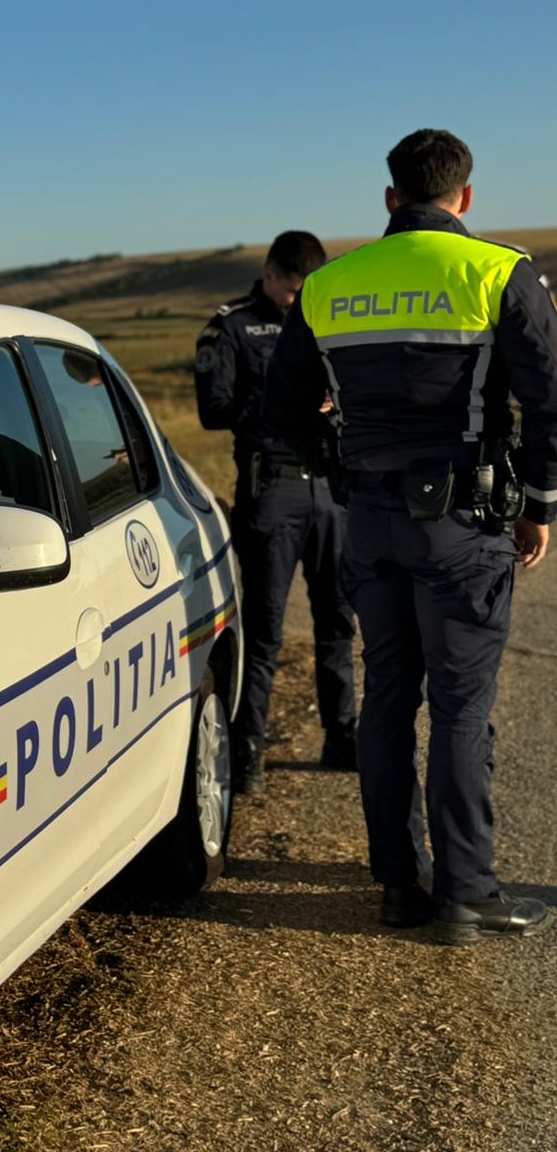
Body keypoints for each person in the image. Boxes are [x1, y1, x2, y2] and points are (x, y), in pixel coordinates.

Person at [264, 129, 557, 943]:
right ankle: (466, 891)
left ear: (391, 198)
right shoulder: (497, 271)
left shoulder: (330, 284)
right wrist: (539, 506)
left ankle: (399, 883)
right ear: (465, 196)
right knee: (461, 706)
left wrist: (343, 464)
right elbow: (548, 401)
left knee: (389, 696)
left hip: (369, 518)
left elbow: (282, 412)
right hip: (462, 521)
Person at [195, 231, 357, 793]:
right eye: (291, 293)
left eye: (305, 294)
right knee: (264, 634)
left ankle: (342, 737)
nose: (297, 303)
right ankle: (248, 754)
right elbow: (213, 409)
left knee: (338, 623)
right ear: (269, 276)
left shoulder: (331, 318)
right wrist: (284, 401)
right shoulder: (232, 326)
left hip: (330, 492)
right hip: (273, 493)